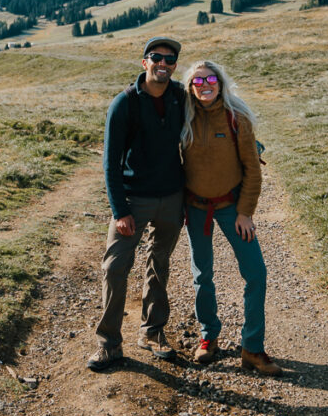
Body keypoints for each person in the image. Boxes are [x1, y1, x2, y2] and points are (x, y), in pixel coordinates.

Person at [87, 36, 186, 372]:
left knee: (160, 264)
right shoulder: (124, 103)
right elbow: (110, 163)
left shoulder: (181, 98)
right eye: (156, 57)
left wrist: (250, 143)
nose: (163, 63)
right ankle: (109, 346)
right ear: (144, 62)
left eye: (169, 59)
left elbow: (214, 124)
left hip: (172, 197)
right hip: (133, 199)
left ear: (174, 66)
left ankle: (153, 332)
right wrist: (120, 211)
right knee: (114, 268)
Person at [181, 59, 282, 375]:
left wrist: (245, 213)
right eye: (197, 81)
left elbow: (253, 169)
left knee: (256, 273)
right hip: (196, 209)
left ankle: (252, 347)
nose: (205, 85)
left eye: (210, 79)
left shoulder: (237, 119)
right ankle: (208, 337)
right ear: (190, 88)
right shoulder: (183, 120)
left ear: (220, 83)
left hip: (231, 207)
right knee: (202, 275)